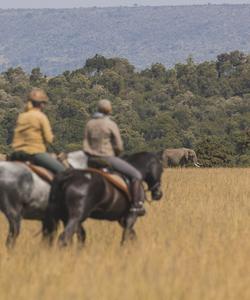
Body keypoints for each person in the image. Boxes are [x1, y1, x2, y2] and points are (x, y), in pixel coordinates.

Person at [83, 99, 145, 216]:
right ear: (109, 110)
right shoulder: (110, 124)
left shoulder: (89, 124)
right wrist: (116, 154)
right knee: (136, 175)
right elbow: (119, 146)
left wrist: (90, 154)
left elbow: (85, 144)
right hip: (107, 158)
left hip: (91, 160)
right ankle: (136, 206)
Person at [11, 88, 65, 174]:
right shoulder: (41, 116)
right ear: (41, 104)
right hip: (34, 153)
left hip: (16, 154)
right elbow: (49, 139)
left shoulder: (22, 116)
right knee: (63, 172)